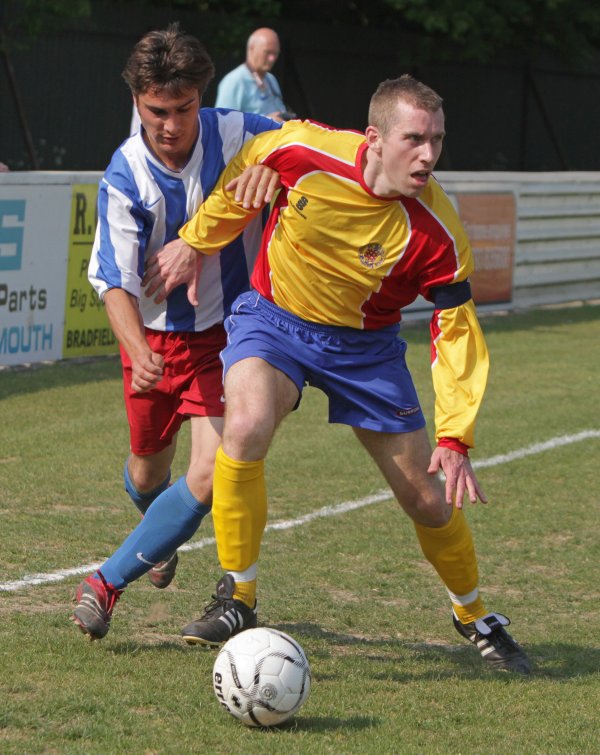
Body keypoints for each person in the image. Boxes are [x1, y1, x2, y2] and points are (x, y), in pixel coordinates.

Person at [154, 74, 531, 673]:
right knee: (245, 426)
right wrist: (197, 241)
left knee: (428, 499)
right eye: (415, 139)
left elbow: (455, 331)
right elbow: (238, 158)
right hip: (275, 321)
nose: (429, 155)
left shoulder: (439, 232)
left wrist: (456, 435)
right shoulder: (302, 148)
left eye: (437, 140)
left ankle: (474, 613)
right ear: (375, 138)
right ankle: (239, 596)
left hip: (366, 351)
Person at [70, 23, 281, 640]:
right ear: (137, 101)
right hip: (155, 342)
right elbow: (114, 281)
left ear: (202, 97)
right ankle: (159, 539)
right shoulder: (124, 175)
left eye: (183, 109)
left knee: (211, 472)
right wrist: (138, 352)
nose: (170, 124)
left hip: (229, 337)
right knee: (144, 474)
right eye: (157, 110)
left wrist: (275, 168)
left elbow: (311, 146)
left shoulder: (240, 132)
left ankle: (104, 583)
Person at [215, 28, 294, 123]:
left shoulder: (271, 79)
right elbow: (223, 123)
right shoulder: (234, 81)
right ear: (251, 48)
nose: (272, 58)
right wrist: (265, 121)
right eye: (267, 52)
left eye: (275, 53)